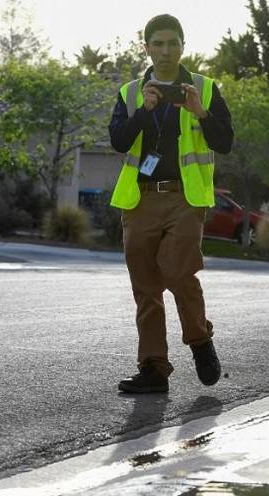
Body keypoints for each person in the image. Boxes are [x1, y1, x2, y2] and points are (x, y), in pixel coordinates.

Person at [108, 14, 234, 394]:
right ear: (146, 48)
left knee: (180, 274)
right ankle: (154, 369)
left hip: (185, 198)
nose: (165, 51)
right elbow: (118, 141)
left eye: (172, 43)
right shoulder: (131, 92)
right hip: (140, 199)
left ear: (183, 46)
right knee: (146, 287)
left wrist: (201, 113)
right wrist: (143, 112)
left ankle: (200, 340)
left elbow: (225, 142)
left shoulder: (205, 89)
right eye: (158, 44)